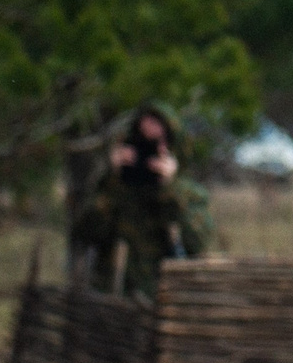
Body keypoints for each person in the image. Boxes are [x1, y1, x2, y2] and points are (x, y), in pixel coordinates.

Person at [72, 103, 214, 300]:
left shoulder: (188, 194)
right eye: (141, 142)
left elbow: (197, 244)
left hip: (164, 298)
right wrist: (116, 180)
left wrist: (169, 189)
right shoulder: (111, 186)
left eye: (155, 144)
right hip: (112, 297)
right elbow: (83, 234)